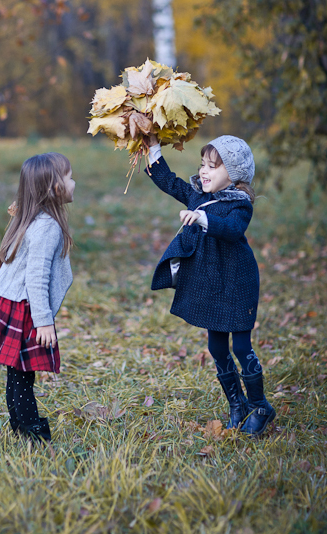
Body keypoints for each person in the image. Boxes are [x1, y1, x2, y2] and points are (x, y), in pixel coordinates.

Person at [143, 133, 274, 436]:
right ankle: (237, 405)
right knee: (216, 345)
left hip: (237, 284)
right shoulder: (198, 196)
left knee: (240, 346)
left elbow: (232, 229)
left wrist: (202, 219)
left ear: (233, 173)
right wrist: (153, 149)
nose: (203, 171)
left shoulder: (240, 205)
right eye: (202, 164)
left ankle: (260, 407)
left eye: (213, 167)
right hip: (213, 284)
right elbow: (171, 183)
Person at [0, 152, 76, 442]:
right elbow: (36, 277)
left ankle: (21, 430)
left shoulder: (30, 218)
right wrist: (43, 321)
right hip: (26, 308)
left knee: (17, 375)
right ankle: (33, 435)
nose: (74, 183)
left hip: (14, 304)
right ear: (55, 187)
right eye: (70, 177)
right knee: (22, 377)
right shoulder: (47, 227)